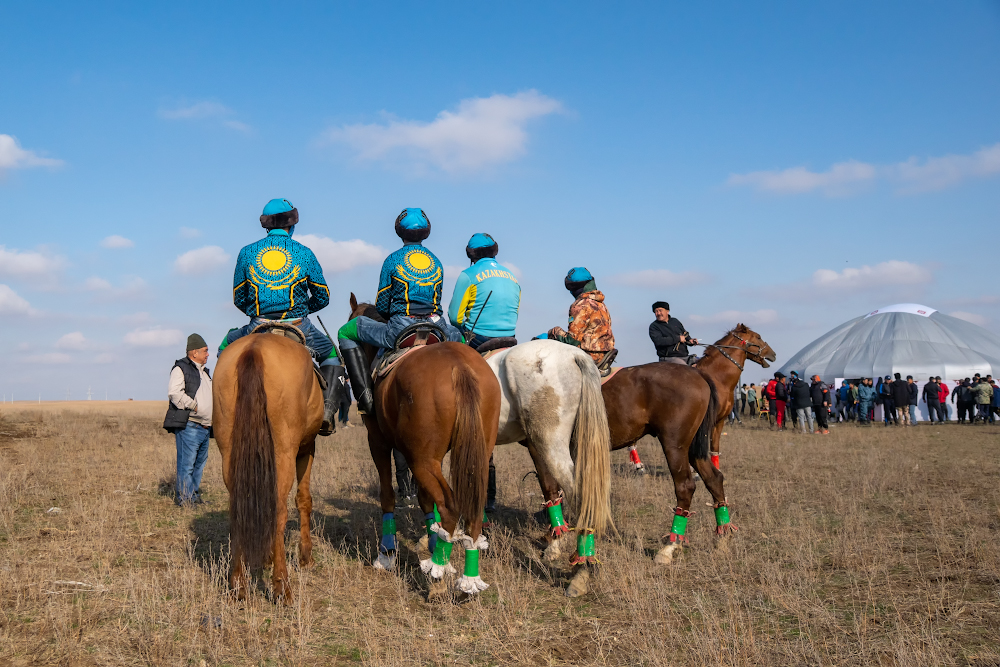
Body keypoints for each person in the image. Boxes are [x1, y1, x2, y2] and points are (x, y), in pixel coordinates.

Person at [220, 198, 346, 435]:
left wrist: (256, 313)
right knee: (331, 355)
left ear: (266, 225)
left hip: (259, 324)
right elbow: (323, 296)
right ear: (292, 224)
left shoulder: (246, 253)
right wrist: (302, 309)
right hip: (299, 325)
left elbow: (239, 297)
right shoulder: (304, 253)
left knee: (225, 346)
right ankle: (327, 415)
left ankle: (224, 414)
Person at [338, 208, 462, 414]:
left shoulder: (392, 260)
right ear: (426, 232)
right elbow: (437, 300)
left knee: (345, 331)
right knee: (461, 338)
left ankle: (365, 399)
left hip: (400, 329)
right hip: (436, 327)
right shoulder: (436, 262)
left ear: (399, 232)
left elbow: (383, 305)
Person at [163, 334, 213, 506]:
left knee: (198, 465)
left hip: (205, 427)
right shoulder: (181, 368)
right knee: (187, 464)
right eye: (205, 351)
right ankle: (184, 500)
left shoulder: (204, 372)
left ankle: (193, 497)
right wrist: (195, 406)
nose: (208, 354)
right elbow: (174, 393)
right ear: (194, 352)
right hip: (190, 425)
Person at [447, 233, 521, 348]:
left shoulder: (467, 275)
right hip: (510, 336)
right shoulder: (513, 276)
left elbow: (455, 318)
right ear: (494, 251)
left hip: (478, 338)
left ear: (470, 254)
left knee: (447, 333)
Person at [547, 267, 615, 364]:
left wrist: (553, 332)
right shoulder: (601, 304)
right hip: (605, 355)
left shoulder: (580, 305)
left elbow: (571, 341)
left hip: (588, 357)